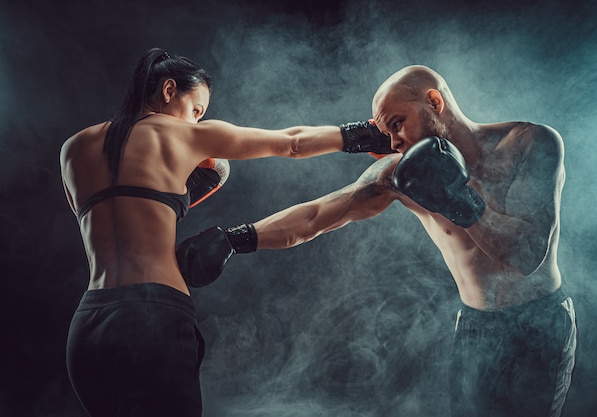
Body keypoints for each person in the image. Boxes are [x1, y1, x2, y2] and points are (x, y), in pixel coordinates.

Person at [179, 65, 577, 417]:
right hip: (476, 324)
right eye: (385, 133)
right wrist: (237, 239)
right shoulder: (399, 173)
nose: (395, 142)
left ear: (434, 101)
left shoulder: (529, 143)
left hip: (538, 323)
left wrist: (459, 198)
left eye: (398, 124)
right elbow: (320, 215)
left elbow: (527, 255)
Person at [59, 47, 394, 417]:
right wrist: (363, 134)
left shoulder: (72, 149)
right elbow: (292, 143)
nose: (197, 121)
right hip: (152, 316)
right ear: (169, 90)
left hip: (88, 326)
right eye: (197, 110)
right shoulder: (185, 136)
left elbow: (122, 210)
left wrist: (185, 190)